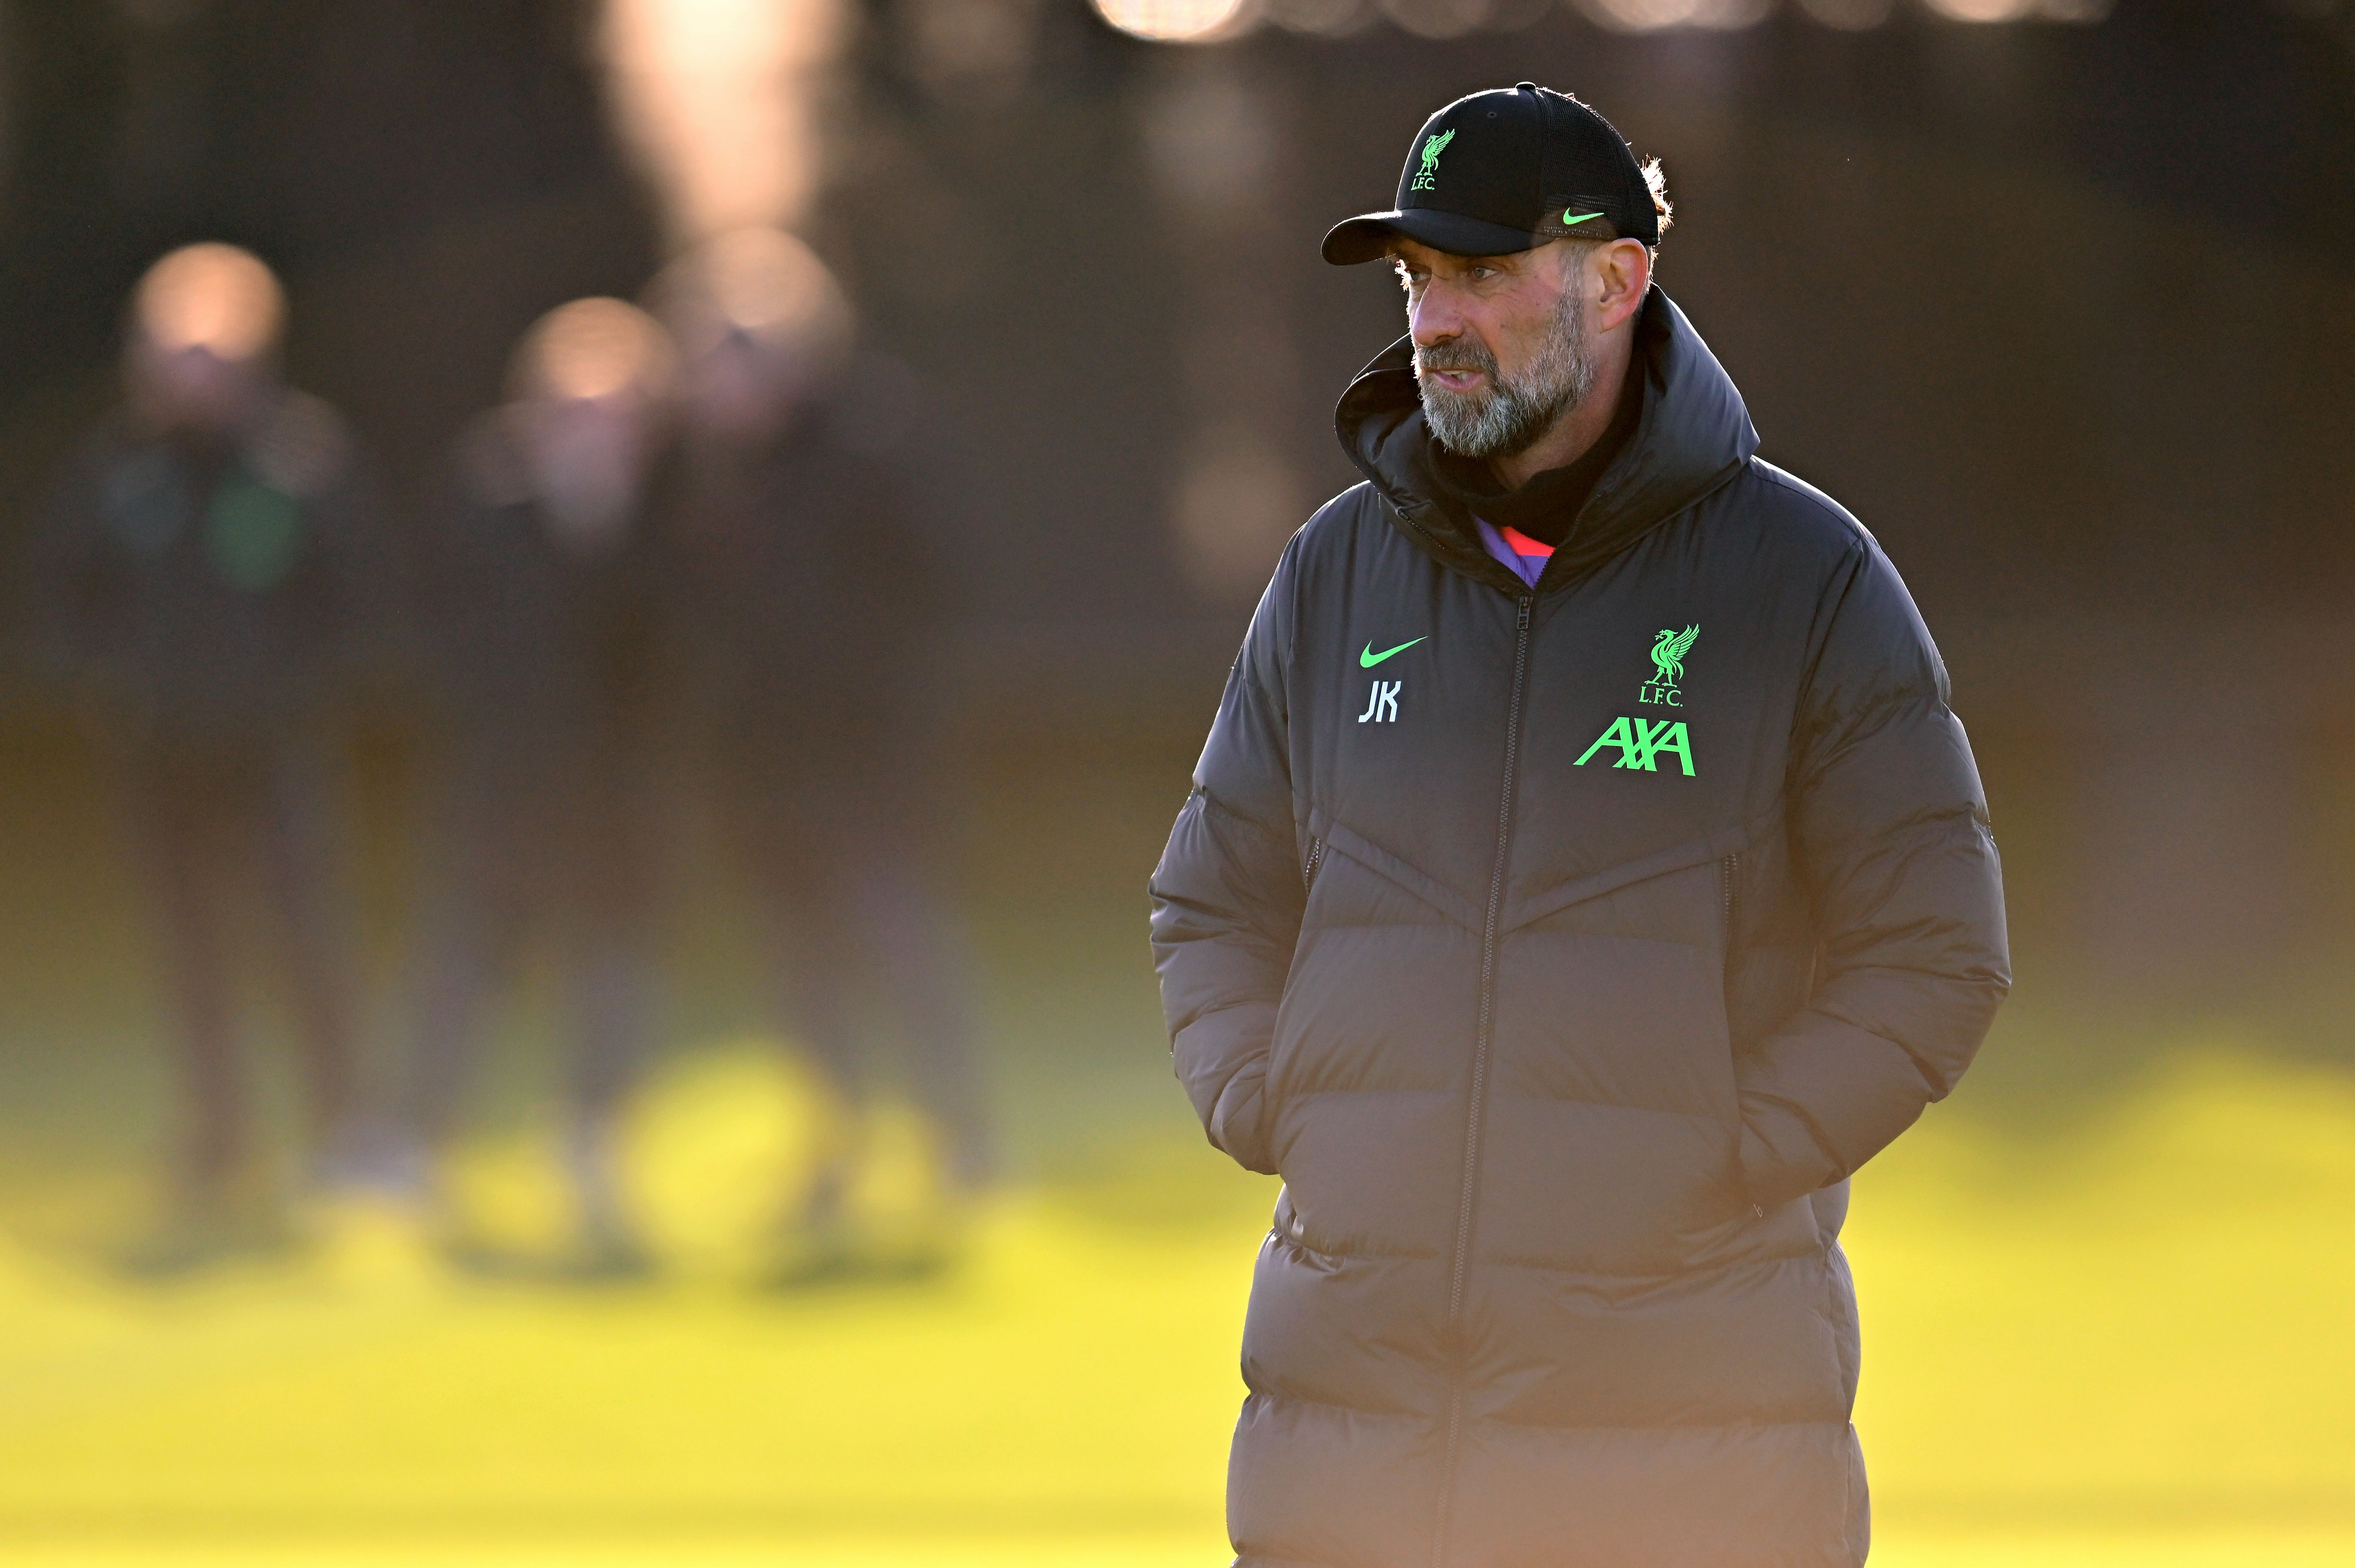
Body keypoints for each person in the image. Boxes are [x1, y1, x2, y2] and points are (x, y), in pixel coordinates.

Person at [1148, 85, 2010, 1565]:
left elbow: (1936, 953)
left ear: (1614, 278)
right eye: (1418, 276)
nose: (1431, 316)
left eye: (1479, 271)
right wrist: (1274, 1104)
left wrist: (1728, 1154)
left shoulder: (1802, 577)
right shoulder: (1330, 572)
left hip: (1686, 1454)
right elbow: (1212, 903)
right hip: (1349, 1454)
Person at [29, 243, 384, 1271]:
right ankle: (217, 1131)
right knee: (192, 959)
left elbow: (352, 596)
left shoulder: (295, 460)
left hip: (270, 749)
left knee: (302, 935)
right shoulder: (120, 470)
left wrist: (296, 685)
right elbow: (64, 596)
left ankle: (341, 1124)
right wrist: (105, 685)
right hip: (158, 757)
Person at [653, 228, 990, 1283]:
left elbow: (937, 576)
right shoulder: (698, 470)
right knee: (800, 965)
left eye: (745, 348)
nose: (727, 373)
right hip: (762, 759)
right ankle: (835, 1140)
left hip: (864, 754)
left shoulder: (867, 442)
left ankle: (960, 1135)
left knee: (900, 940)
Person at [397, 298, 678, 1276]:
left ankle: (591, 1142)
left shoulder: (664, 511)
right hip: (506, 779)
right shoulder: (487, 497)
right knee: (466, 962)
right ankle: (424, 1141)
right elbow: (467, 634)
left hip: (613, 791)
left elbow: (660, 653)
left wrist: (601, 533)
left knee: (608, 974)